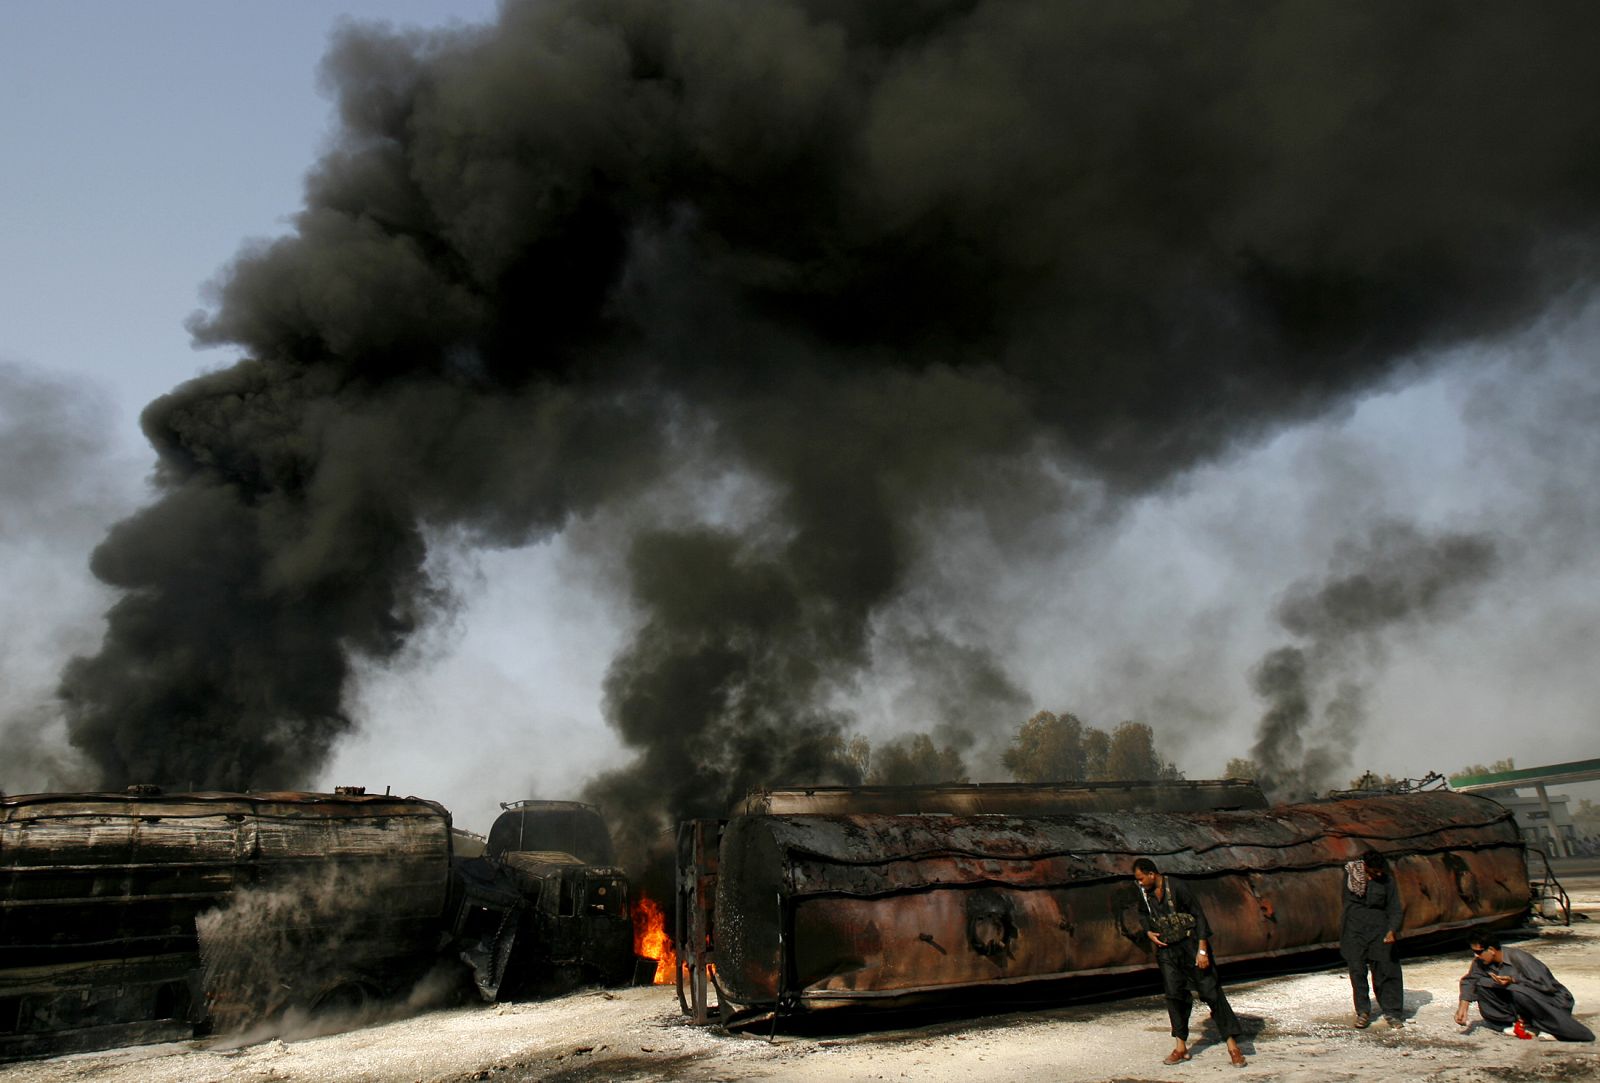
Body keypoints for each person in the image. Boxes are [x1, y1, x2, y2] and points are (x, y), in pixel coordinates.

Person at [1132, 857, 1249, 1066]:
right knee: (1174, 995)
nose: (1139, 883)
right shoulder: (1144, 894)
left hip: (1190, 945)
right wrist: (1149, 932)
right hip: (1167, 951)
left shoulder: (1177, 887)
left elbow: (1199, 916)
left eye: (1141, 879)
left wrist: (1202, 951)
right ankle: (1181, 1047)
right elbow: (1142, 914)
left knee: (1211, 992)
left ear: (1152, 874)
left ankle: (1233, 1047)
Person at [1454, 935, 1595, 1042]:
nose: (1476, 956)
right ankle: (1509, 1022)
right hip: (1521, 1003)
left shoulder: (1520, 959)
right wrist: (1463, 1007)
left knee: (1516, 990)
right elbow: (1470, 980)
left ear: (1491, 950)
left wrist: (1514, 980)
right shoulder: (1480, 962)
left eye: (1478, 952)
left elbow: (1546, 987)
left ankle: (1547, 1025)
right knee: (1482, 984)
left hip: (1553, 1001)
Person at [1340, 850, 1405, 1029]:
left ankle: (1392, 1011)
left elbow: (1395, 908)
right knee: (1357, 971)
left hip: (1379, 928)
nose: (1378, 874)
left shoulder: (1387, 881)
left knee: (1386, 969)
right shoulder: (1351, 875)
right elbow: (1345, 903)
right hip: (1354, 929)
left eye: (1380, 871)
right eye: (1374, 871)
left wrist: (1392, 930)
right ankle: (1363, 1012)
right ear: (1366, 867)